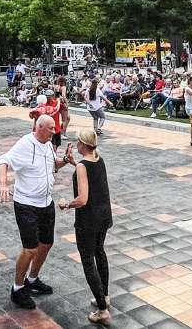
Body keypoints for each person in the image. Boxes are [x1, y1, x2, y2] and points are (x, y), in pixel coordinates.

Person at [0, 115, 74, 310]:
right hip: (26, 204)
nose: (54, 131)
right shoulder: (25, 143)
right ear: (39, 127)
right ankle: (17, 288)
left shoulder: (48, 144)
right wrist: (4, 183)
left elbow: (53, 166)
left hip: (46, 203)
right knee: (30, 249)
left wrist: (65, 160)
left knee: (46, 244)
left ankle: (32, 280)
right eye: (50, 128)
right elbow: (3, 160)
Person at [59, 128, 113, 325]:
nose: (77, 144)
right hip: (104, 216)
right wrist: (75, 163)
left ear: (82, 144)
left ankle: (102, 310)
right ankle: (105, 297)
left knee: (88, 261)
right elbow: (90, 177)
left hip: (88, 220)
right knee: (100, 252)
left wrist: (66, 204)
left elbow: (82, 199)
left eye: (78, 142)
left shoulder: (83, 166)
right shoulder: (98, 158)